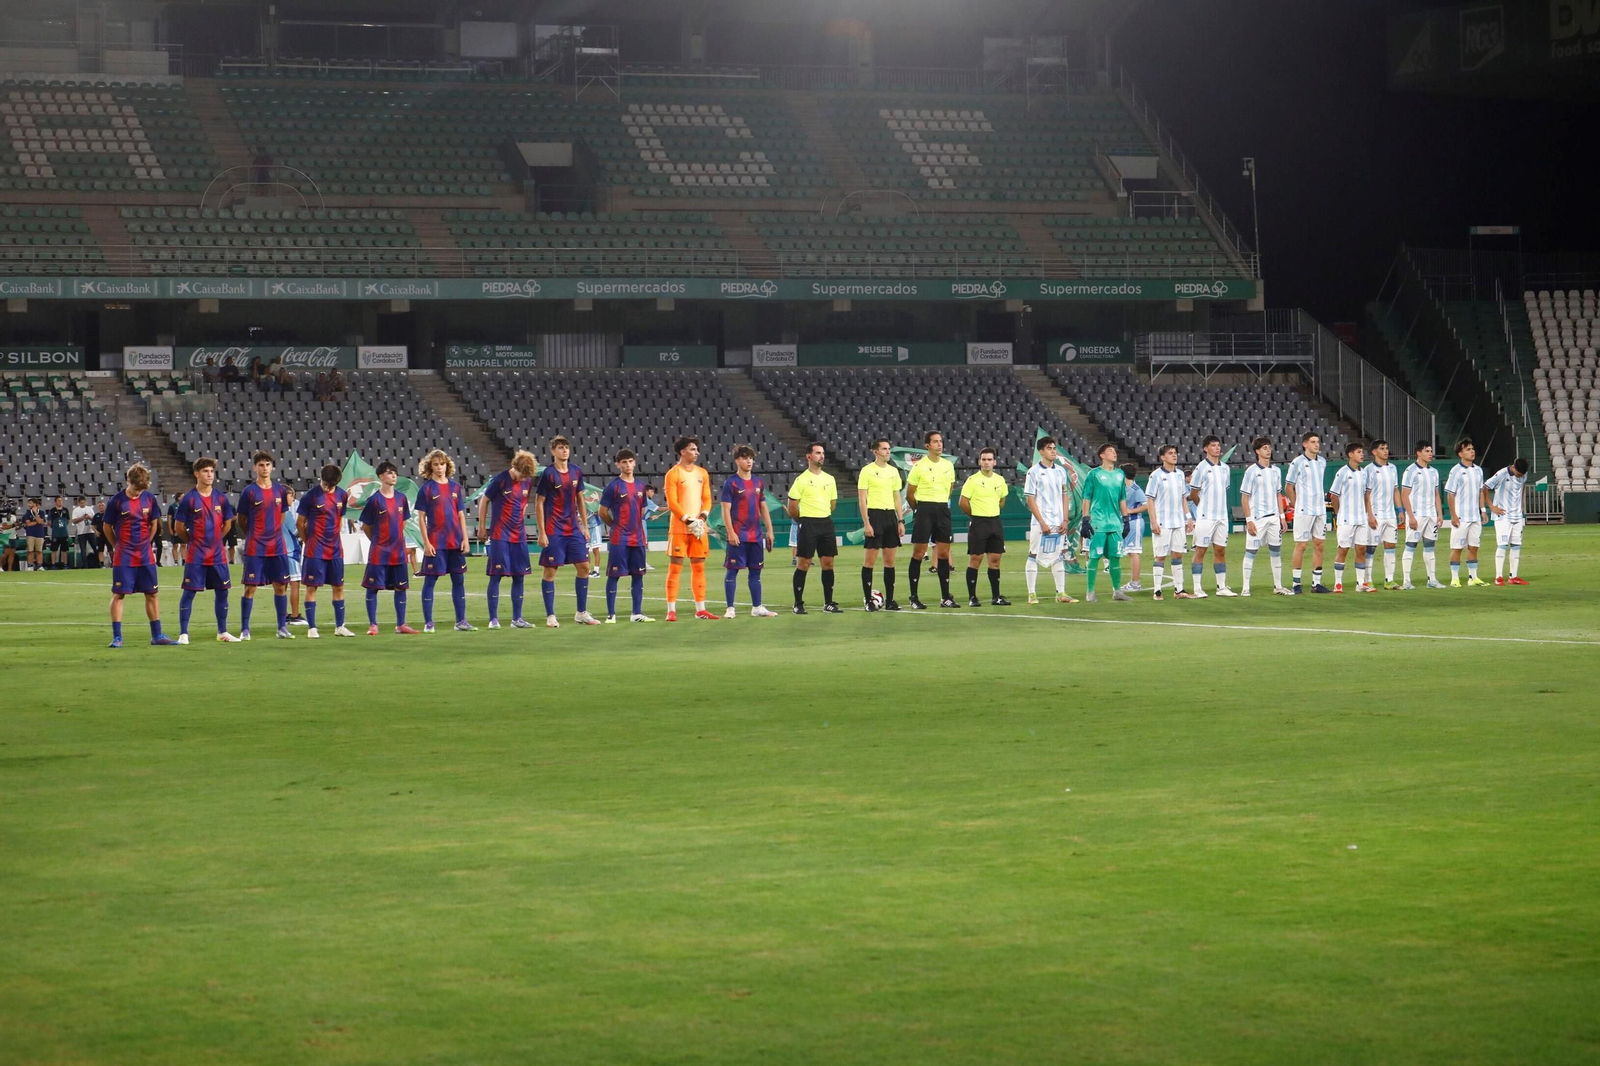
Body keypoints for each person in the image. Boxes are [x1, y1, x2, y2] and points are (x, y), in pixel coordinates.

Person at [103, 464, 178, 647]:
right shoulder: (117, 502)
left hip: (145, 555)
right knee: (119, 594)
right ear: (128, 481)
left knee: (152, 593)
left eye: (141, 490)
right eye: (136, 489)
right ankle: (117, 637)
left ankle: (157, 635)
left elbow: (154, 524)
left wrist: (147, 543)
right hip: (124, 555)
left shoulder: (150, 499)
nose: (138, 493)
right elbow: (107, 527)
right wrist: (117, 546)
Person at [171, 457, 240, 644]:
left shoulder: (221, 498)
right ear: (196, 474)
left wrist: (217, 539)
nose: (209, 475)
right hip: (197, 554)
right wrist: (192, 541)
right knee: (189, 591)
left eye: (211, 471)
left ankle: (222, 632)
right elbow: (178, 527)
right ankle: (184, 633)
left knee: (223, 591)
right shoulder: (189, 499)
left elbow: (227, 523)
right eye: (205, 471)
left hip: (217, 554)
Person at [535, 436, 599, 627]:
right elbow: (539, 503)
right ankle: (551, 615)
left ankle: (581, 612)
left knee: (584, 567)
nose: (564, 451)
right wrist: (542, 532)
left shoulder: (576, 471)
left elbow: (580, 499)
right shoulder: (548, 474)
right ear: (553, 451)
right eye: (560, 448)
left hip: (573, 528)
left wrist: (585, 527)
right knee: (550, 570)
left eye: (566, 448)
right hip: (554, 529)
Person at [235, 450, 294, 639]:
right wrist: (253, 534)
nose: (265, 468)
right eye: (261, 465)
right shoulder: (249, 492)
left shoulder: (280, 491)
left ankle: (281, 628)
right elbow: (241, 520)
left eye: (268, 464)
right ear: (255, 468)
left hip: (277, 546)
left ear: (272, 467)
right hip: (256, 546)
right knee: (251, 587)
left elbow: (281, 516)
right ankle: (245, 629)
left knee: (280, 586)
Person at [415, 448, 474, 632]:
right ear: (429, 467)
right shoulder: (426, 489)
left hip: (455, 542)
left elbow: (461, 515)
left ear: (447, 465)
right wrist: (426, 543)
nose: (439, 467)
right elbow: (421, 518)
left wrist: (465, 539)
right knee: (430, 582)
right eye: (435, 464)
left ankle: (461, 621)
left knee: (459, 581)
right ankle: (429, 623)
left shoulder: (455, 487)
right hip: (436, 543)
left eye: (442, 464)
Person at [480, 450, 538, 629]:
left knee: (519, 576)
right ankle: (493, 619)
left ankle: (517, 619)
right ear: (515, 467)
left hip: (518, 535)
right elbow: (484, 500)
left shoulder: (527, 482)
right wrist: (482, 527)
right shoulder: (500, 480)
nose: (523, 479)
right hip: (500, 535)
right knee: (496, 576)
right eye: (522, 474)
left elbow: (521, 505)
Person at [662, 435, 716, 622]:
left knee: (699, 568)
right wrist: (688, 520)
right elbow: (672, 502)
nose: (696, 452)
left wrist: (701, 519)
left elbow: (708, 498)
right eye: (692, 449)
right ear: (682, 451)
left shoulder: (702, 473)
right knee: (675, 568)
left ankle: (700, 609)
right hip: (679, 528)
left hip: (699, 528)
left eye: (696, 449)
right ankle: (671, 610)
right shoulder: (673, 474)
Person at [298, 463, 355, 638]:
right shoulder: (310, 497)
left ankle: (340, 626)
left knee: (339, 586)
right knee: (312, 587)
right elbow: (300, 523)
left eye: (331, 485)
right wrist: (308, 542)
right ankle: (312, 628)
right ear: (320, 478)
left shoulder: (342, 495)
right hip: (315, 549)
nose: (328, 487)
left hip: (335, 549)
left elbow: (339, 519)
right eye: (325, 483)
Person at [359, 461, 417, 635]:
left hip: (398, 551)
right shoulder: (374, 500)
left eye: (395, 472)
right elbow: (366, 526)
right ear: (381, 476)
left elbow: (403, 522)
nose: (393, 476)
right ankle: (373, 625)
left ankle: (401, 624)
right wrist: (377, 541)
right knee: (373, 587)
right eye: (389, 473)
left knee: (401, 587)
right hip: (379, 551)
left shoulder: (401, 498)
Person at [720, 444, 777, 618]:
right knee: (732, 570)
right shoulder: (731, 483)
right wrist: (731, 532)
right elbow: (725, 510)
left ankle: (757, 607)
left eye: (751, 458)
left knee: (756, 571)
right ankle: (730, 608)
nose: (749, 461)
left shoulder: (758, 482)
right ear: (737, 460)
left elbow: (763, 507)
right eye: (745, 458)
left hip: (755, 535)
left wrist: (769, 530)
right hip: (738, 535)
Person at [598, 448, 654, 623]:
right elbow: (602, 511)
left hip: (637, 537)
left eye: (630, 461)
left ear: (635, 462)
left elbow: (642, 509)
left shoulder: (640, 486)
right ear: (618, 465)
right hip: (619, 538)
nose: (628, 465)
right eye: (624, 462)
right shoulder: (613, 486)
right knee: (614, 575)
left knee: (638, 575)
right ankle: (611, 614)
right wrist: (614, 525)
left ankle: (636, 613)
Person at [905, 431, 958, 609]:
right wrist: (919, 510)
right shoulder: (918, 466)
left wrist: (940, 504)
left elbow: (950, 489)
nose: (939, 444)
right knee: (919, 553)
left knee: (943, 553)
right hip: (924, 509)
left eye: (941, 441)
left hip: (942, 508)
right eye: (935, 442)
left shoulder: (948, 466)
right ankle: (914, 597)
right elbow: (910, 494)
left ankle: (945, 597)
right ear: (927, 446)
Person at [787, 442, 840, 614]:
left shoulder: (829, 479)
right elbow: (792, 507)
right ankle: (798, 603)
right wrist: (802, 520)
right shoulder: (801, 480)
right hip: (808, 523)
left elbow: (832, 504)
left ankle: (829, 602)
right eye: (818, 453)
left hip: (825, 523)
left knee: (828, 563)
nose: (821, 456)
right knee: (804, 563)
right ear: (809, 456)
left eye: (822, 453)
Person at [1023, 435, 1077, 604]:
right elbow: (1030, 499)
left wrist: (1065, 520)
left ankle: (1061, 593)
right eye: (1049, 448)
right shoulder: (1033, 472)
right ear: (1041, 452)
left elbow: (1064, 495)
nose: (1053, 451)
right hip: (1041, 523)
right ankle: (1031, 594)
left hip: (1058, 522)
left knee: (1059, 556)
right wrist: (1042, 522)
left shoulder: (1061, 471)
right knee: (1033, 555)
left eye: (1054, 448)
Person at [857, 437, 906, 612]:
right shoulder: (867, 471)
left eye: (888, 449)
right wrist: (866, 523)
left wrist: (900, 520)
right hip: (875, 515)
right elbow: (862, 499)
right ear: (875, 451)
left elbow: (897, 497)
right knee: (870, 561)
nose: (887, 452)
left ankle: (891, 600)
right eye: (884, 449)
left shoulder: (893, 471)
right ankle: (869, 600)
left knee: (890, 561)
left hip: (890, 517)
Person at [958, 447, 1011, 606]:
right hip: (978, 523)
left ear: (994, 462)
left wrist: (991, 512)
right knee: (976, 559)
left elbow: (1002, 501)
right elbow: (962, 502)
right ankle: (972, 597)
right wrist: (975, 516)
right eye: (984, 459)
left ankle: (996, 597)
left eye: (989, 459)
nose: (986, 462)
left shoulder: (1000, 480)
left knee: (995, 560)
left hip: (995, 522)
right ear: (979, 461)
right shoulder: (972, 480)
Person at [1238, 437, 1290, 596]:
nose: (1268, 450)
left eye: (1269, 447)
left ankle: (1278, 586)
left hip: (1274, 518)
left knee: (1276, 550)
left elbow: (1278, 494)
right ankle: (1245, 587)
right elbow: (1245, 498)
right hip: (1257, 519)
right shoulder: (1251, 471)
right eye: (1265, 448)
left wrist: (1282, 517)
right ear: (1257, 451)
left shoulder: (1276, 471)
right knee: (1251, 551)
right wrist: (1249, 520)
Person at [1187, 435, 1236, 598]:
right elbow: (1193, 493)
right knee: (1201, 550)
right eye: (1213, 445)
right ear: (1205, 448)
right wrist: (1203, 507)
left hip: (1222, 516)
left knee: (1220, 550)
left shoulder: (1225, 468)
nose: (1217, 448)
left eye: (1218, 445)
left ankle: (1221, 587)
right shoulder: (1200, 468)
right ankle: (1197, 588)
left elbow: (1224, 490)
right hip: (1205, 516)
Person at [1081, 444, 1131, 603]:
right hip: (1098, 522)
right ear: (1102, 455)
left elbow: (1122, 498)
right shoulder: (1093, 474)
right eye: (1111, 451)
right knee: (1094, 556)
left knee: (1116, 556)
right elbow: (1086, 497)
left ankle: (1117, 591)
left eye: (1115, 450)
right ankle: (1090, 592)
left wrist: (1126, 519)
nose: (1114, 453)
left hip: (1115, 523)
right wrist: (1085, 519)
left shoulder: (1120, 474)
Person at [1143, 445, 1191, 601]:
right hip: (1162, 522)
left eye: (1175, 453)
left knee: (1178, 555)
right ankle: (1157, 591)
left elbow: (1183, 497)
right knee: (1160, 555)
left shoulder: (1180, 475)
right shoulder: (1155, 476)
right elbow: (1150, 499)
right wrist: (1153, 521)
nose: (1174, 455)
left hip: (1178, 521)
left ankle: (1179, 590)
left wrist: (1188, 517)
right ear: (1162, 457)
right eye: (1170, 453)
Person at [1285, 430, 1331, 594]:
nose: (1316, 444)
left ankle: (1316, 583)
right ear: (1305, 444)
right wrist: (1297, 505)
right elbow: (1289, 487)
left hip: (1320, 509)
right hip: (1304, 510)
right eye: (1313, 442)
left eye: (1318, 441)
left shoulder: (1322, 462)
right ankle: (1296, 584)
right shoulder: (1297, 462)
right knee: (1302, 545)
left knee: (1319, 545)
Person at [1328, 441, 1375, 593]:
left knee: (1361, 549)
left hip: (1361, 518)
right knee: (1343, 549)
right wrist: (1339, 513)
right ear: (1350, 454)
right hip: (1346, 519)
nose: (1362, 454)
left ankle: (1360, 583)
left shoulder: (1364, 473)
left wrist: (1367, 514)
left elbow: (1366, 496)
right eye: (1359, 452)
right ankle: (1338, 584)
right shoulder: (1342, 472)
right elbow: (1333, 495)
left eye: (1362, 451)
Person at [1400, 441, 1445, 590]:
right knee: (1411, 545)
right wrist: (1411, 516)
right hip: (1417, 515)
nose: (1430, 453)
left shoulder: (1434, 472)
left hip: (1431, 515)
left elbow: (1436, 494)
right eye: (1427, 451)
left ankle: (1432, 579)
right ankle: (1406, 581)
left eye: (1431, 451)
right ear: (1418, 453)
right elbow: (1404, 495)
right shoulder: (1410, 470)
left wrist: (1439, 514)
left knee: (1430, 546)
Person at [1445, 438, 1488, 587]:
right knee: (1457, 547)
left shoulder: (1478, 470)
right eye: (1468, 449)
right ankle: (1455, 578)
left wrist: (1483, 510)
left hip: (1475, 516)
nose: (1472, 451)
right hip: (1461, 517)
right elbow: (1450, 494)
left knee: (1474, 547)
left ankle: (1473, 578)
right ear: (1460, 453)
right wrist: (1454, 515)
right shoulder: (1455, 471)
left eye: (1472, 449)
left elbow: (1480, 492)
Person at [1485, 456, 1530, 585]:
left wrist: (1521, 505)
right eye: (1518, 473)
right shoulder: (1502, 474)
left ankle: (1513, 576)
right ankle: (1498, 577)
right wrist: (1492, 506)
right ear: (1513, 467)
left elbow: (1522, 487)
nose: (1520, 476)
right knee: (1502, 545)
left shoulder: (1523, 475)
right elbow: (1485, 487)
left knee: (1516, 546)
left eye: (1522, 474)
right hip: (1503, 516)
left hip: (1517, 516)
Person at [1366, 439, 1402, 589]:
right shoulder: (1368, 470)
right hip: (1376, 515)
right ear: (1374, 452)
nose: (1386, 451)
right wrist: (1370, 515)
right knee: (1371, 548)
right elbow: (1366, 494)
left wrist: (1400, 510)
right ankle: (1367, 580)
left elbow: (1395, 490)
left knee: (1391, 546)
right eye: (1382, 448)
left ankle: (1389, 580)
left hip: (1390, 515)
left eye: (1387, 448)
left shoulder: (1393, 468)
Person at [1119, 463, 1148, 592]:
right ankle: (1134, 582)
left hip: (1134, 522)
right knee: (1130, 552)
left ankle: (1135, 583)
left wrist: (1130, 511)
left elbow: (1146, 505)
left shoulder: (1136, 489)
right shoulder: (1124, 487)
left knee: (1133, 552)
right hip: (1127, 522)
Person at [280, 486, 305, 624]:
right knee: (294, 584)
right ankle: (295, 615)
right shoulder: (286, 514)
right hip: (290, 552)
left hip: (280, 552)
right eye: (290, 496)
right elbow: (296, 532)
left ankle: (283, 614)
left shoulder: (273, 513)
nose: (293, 499)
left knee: (281, 585)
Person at [45, 494, 71, 570]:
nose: (60, 502)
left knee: (64, 550)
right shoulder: (52, 511)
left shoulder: (65, 510)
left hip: (64, 533)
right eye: (59, 501)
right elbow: (49, 522)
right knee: (54, 550)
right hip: (56, 533)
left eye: (61, 500)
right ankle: (53, 564)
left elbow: (68, 521)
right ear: (55, 502)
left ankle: (65, 564)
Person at [22, 497, 46, 572]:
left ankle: (39, 566)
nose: (29, 505)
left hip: (40, 534)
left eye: (30, 503)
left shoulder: (41, 512)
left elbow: (41, 522)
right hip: (30, 534)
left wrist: (35, 513)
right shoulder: (27, 513)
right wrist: (37, 522)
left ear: (35, 504)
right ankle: (30, 566)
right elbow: (28, 524)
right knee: (30, 551)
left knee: (39, 551)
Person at [72, 496, 95, 569]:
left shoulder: (89, 509)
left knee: (95, 547)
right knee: (83, 549)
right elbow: (74, 521)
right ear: (79, 503)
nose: (82, 504)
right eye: (81, 503)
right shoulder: (76, 510)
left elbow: (94, 520)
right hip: (81, 532)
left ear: (86, 502)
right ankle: (85, 565)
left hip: (90, 531)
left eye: (84, 502)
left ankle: (97, 563)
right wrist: (81, 518)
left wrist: (89, 517)